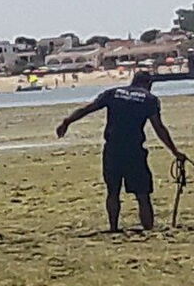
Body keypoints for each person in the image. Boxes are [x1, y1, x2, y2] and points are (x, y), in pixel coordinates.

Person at [55, 71, 185, 232]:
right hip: (134, 150)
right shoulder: (150, 99)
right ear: (149, 84)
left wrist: (66, 122)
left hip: (113, 148)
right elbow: (158, 127)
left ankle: (113, 227)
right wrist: (175, 151)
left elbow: (87, 109)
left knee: (113, 191)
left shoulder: (113, 93)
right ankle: (148, 227)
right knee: (142, 193)